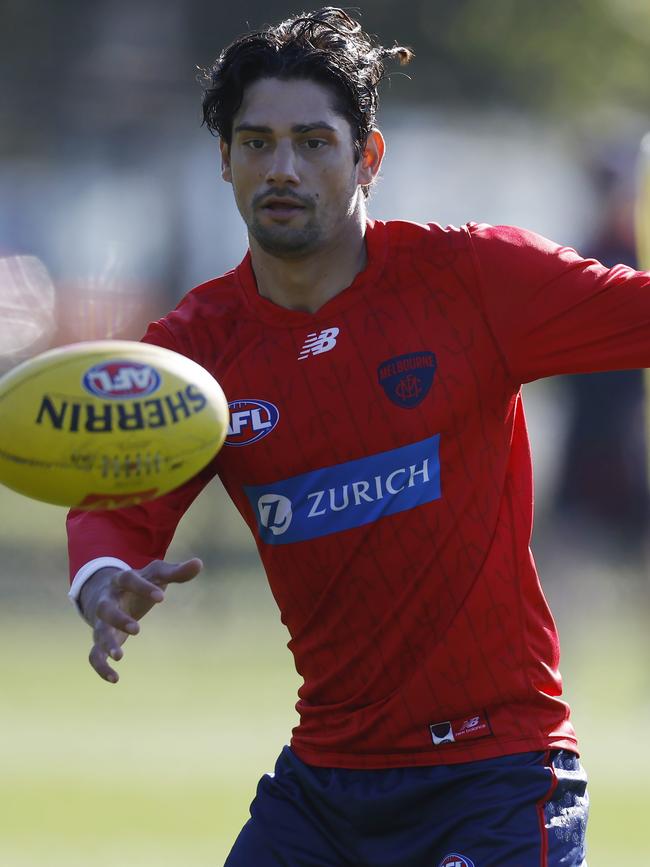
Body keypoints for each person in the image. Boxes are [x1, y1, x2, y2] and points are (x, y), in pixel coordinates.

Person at [66, 8, 650, 866]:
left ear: (367, 156)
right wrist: (102, 578)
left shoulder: (472, 281)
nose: (284, 168)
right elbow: (119, 501)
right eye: (257, 143)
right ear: (224, 159)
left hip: (497, 769)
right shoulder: (197, 354)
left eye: (313, 141)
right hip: (326, 786)